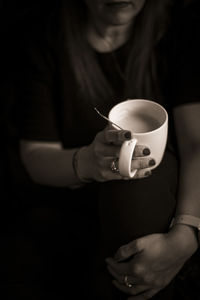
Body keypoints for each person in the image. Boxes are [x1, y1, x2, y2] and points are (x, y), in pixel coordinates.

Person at [6, 0, 200, 299]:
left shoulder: (176, 29)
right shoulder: (43, 37)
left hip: (161, 203)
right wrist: (87, 163)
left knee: (135, 187)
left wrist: (187, 232)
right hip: (66, 208)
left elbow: (195, 143)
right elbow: (35, 158)